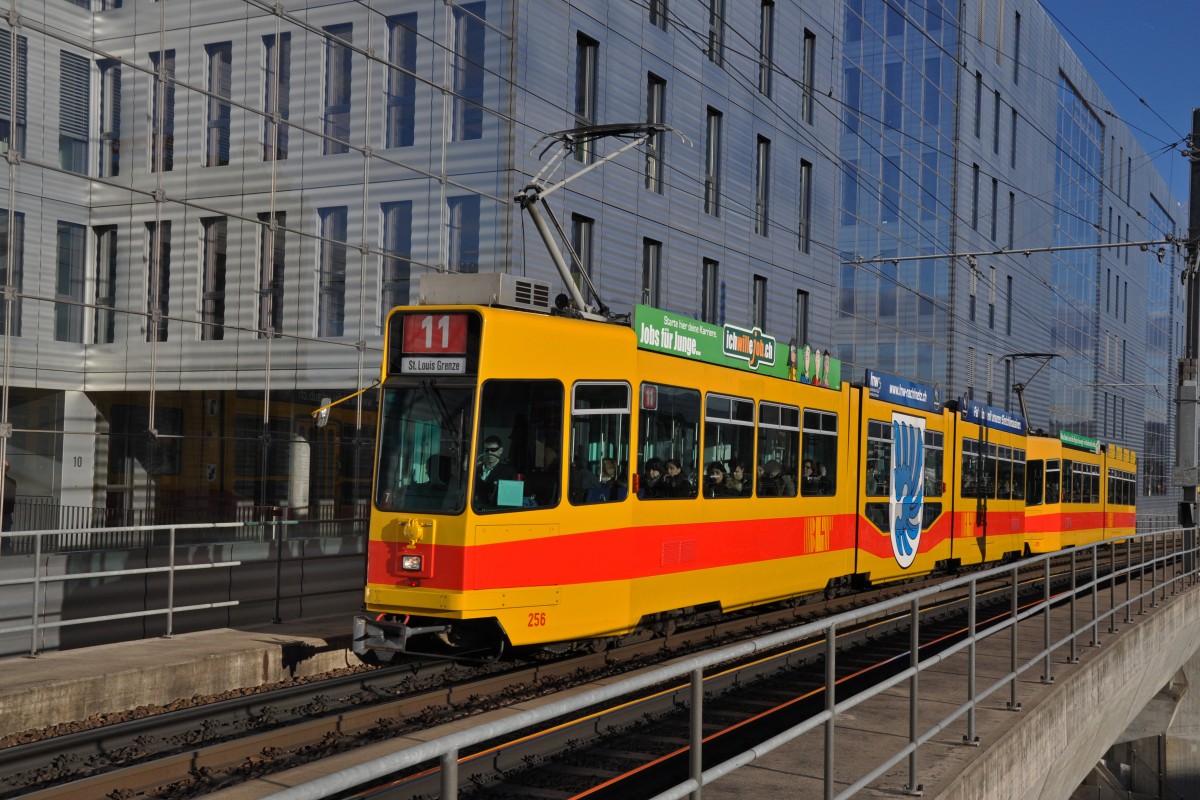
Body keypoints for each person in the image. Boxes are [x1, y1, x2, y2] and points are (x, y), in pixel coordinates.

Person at [475, 435, 516, 506]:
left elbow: (510, 500)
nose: (490, 453)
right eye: (486, 450)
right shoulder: (475, 469)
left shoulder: (508, 472)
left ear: (501, 450)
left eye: (493, 450)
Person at [1, 460, 13, 533]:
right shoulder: (11, 482)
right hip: (6, 516)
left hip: (5, 515)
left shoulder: (10, 482)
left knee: (5, 541)